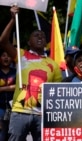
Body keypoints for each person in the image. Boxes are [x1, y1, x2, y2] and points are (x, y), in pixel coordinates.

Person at [0, 6, 62, 140]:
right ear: (29, 42)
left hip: (42, 115)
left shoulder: (53, 65)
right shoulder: (21, 55)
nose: (40, 37)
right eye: (36, 35)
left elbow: (56, 92)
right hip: (20, 111)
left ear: (46, 42)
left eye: (43, 36)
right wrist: (12, 19)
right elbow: (3, 41)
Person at [0, 49, 16, 141]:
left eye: (8, 56)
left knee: (12, 134)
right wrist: (11, 87)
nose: (6, 58)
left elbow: (21, 86)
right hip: (0, 109)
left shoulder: (16, 72)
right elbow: (15, 86)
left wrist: (2, 89)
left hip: (13, 108)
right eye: (3, 55)